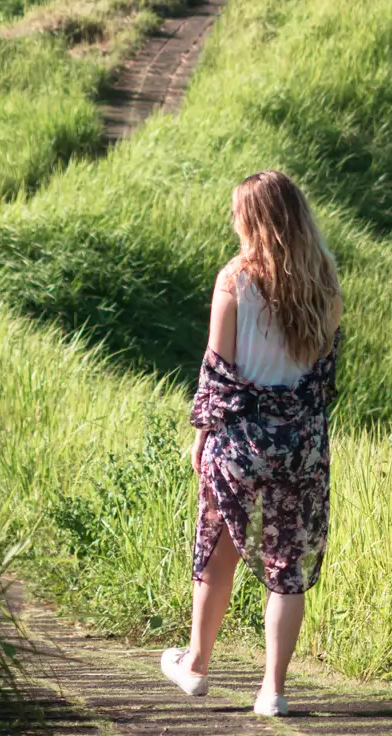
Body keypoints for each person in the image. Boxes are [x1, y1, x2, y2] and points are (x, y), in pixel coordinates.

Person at [160, 170, 342, 716]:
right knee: (287, 564)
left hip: (240, 438)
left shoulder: (235, 278)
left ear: (257, 220)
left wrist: (202, 433)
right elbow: (325, 379)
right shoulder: (325, 284)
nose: (233, 221)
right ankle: (273, 692)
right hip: (302, 442)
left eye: (239, 212)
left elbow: (218, 369)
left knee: (218, 550)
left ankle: (195, 666)